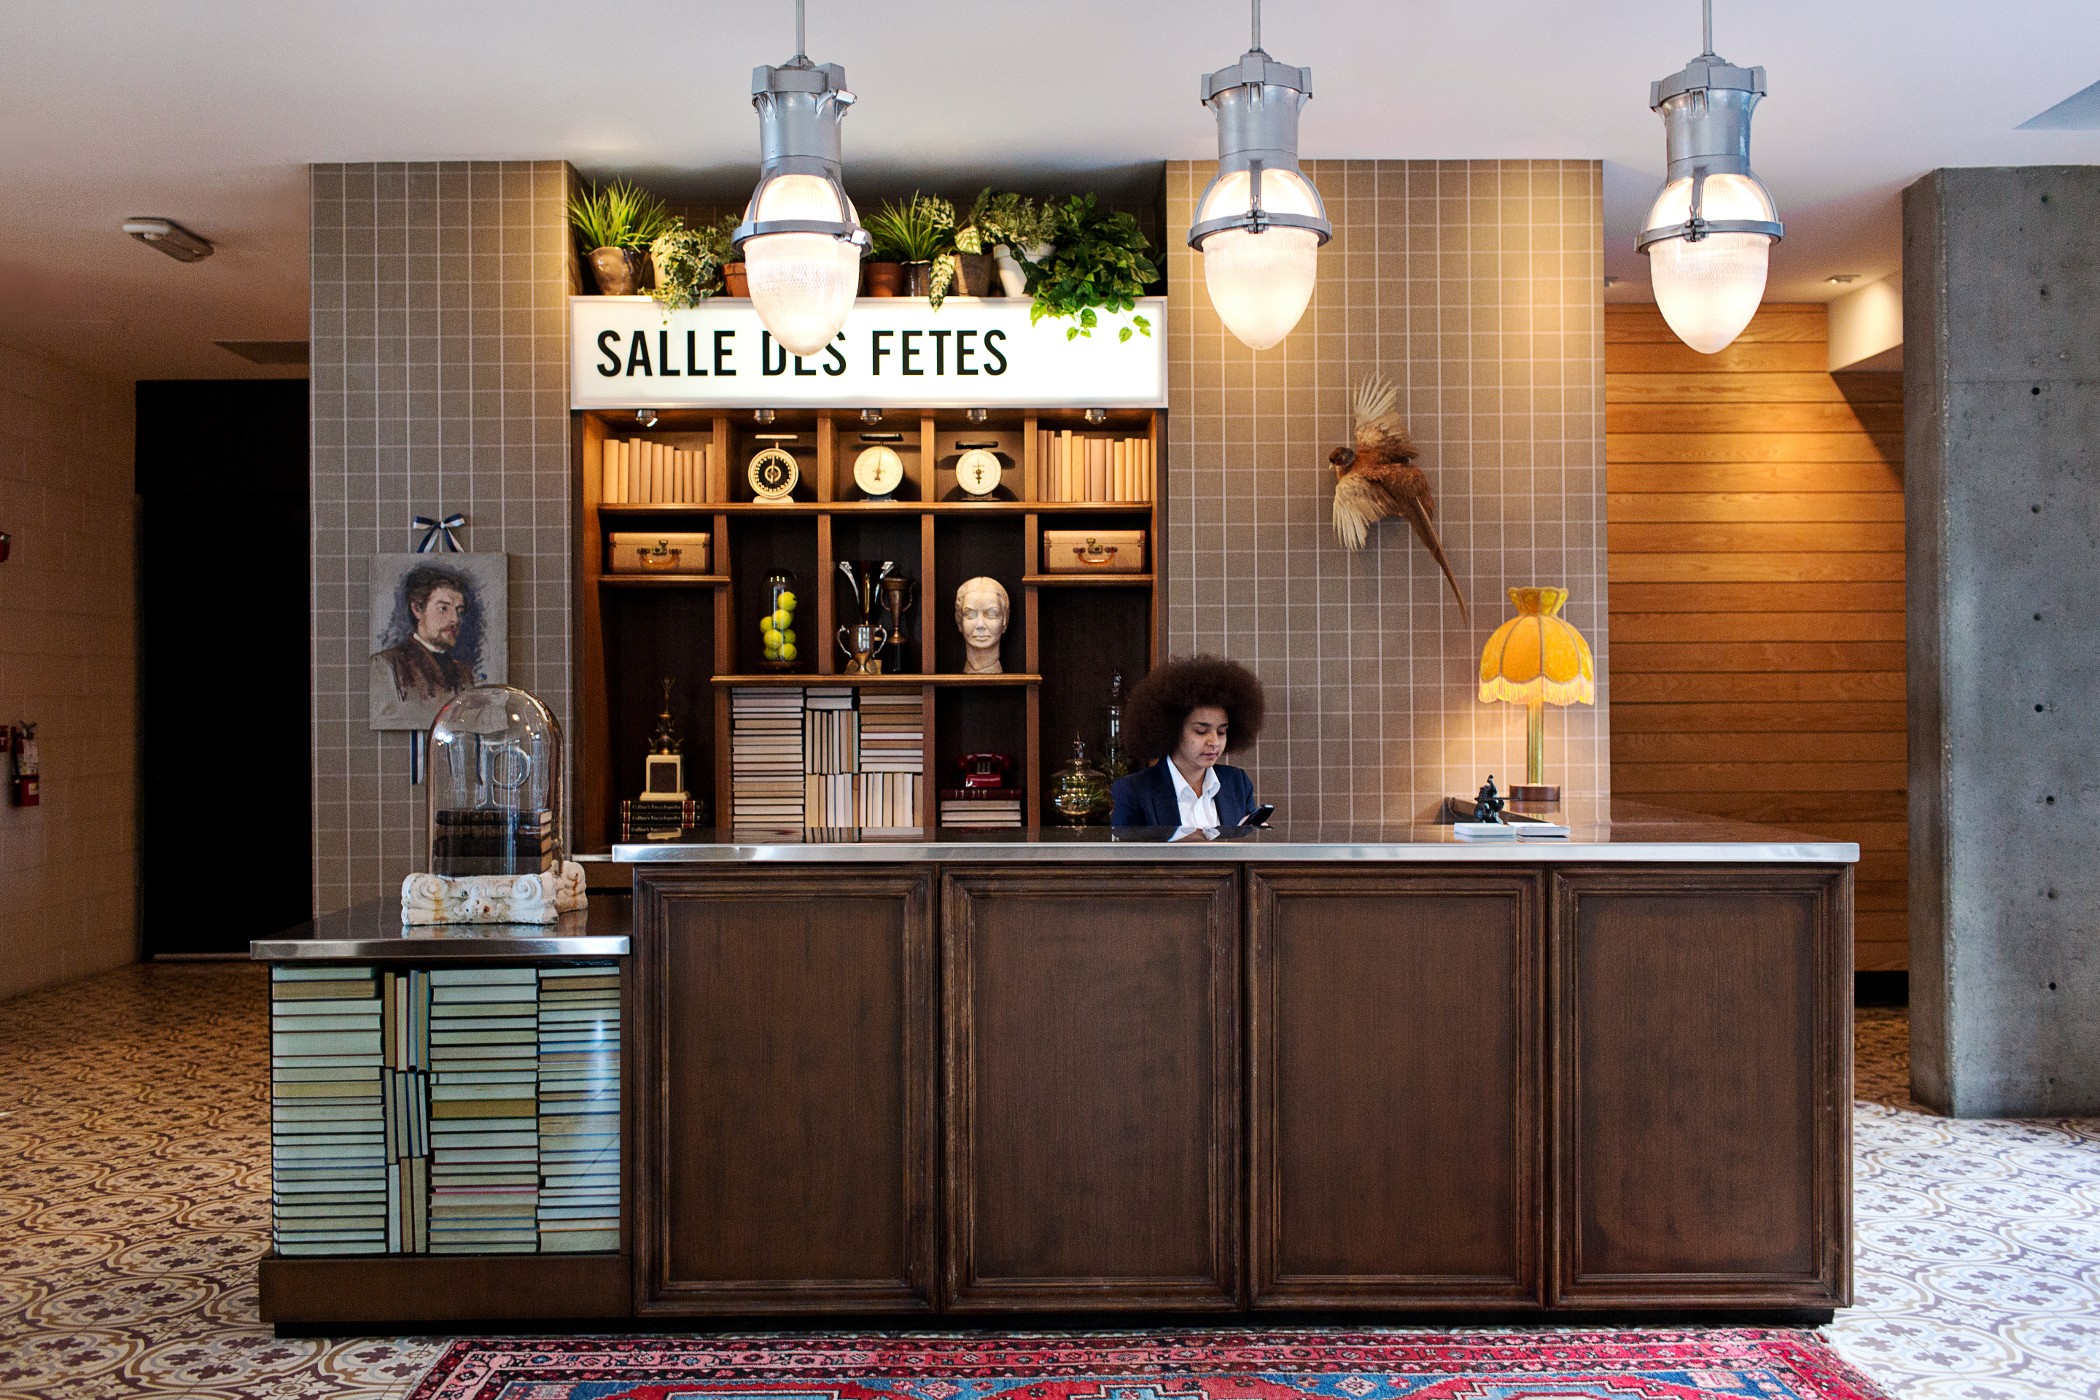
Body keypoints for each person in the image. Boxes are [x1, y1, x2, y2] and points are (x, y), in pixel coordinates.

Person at [1110, 655, 1264, 836]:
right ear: (1171, 729)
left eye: (1221, 731)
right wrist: (1177, 845)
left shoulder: (1238, 783)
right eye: (1201, 731)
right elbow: (1125, 852)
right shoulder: (1134, 790)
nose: (1214, 742)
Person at [373, 565, 479, 710]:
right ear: (417, 609)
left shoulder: (464, 673)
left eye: (459, 611)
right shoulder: (387, 665)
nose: (455, 619)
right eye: (443, 608)